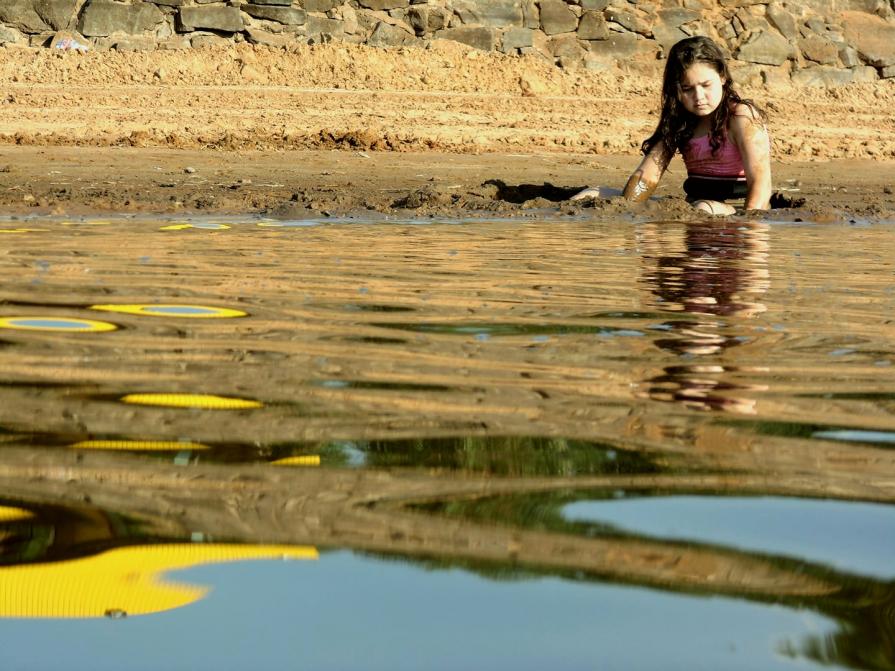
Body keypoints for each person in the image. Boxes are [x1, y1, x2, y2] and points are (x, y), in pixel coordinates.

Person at [573, 36, 772, 215]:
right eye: (687, 89)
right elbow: (647, 176)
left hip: (734, 208)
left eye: (705, 85)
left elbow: (761, 184)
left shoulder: (741, 117)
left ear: (722, 77)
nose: (699, 97)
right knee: (590, 194)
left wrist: (750, 228)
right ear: (676, 90)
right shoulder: (680, 120)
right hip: (695, 205)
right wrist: (628, 210)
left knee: (703, 208)